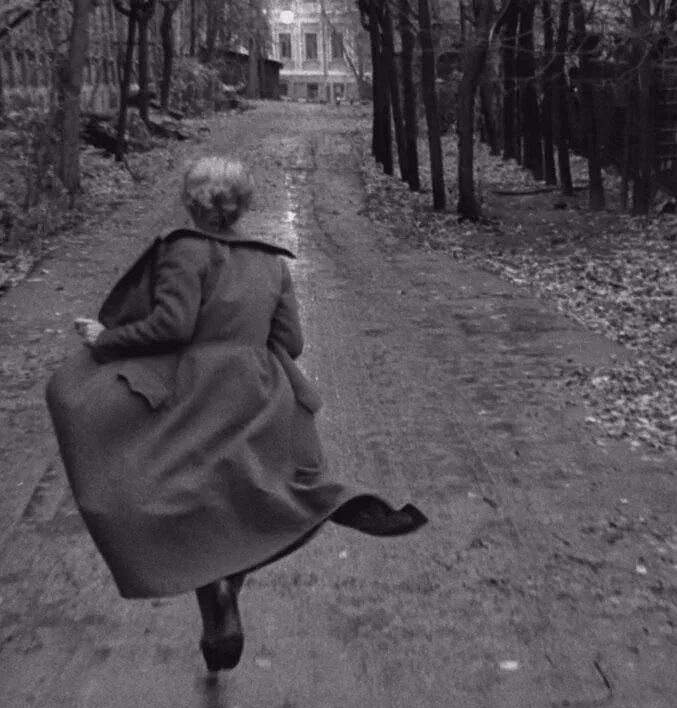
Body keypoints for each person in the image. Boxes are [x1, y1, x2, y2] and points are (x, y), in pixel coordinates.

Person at [46, 156, 426, 673]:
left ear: (190, 200)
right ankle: (330, 507)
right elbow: (292, 341)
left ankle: (223, 592)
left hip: (199, 388)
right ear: (243, 204)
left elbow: (173, 327)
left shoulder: (183, 249)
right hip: (260, 390)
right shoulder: (271, 260)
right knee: (243, 498)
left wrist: (105, 339)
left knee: (169, 490)